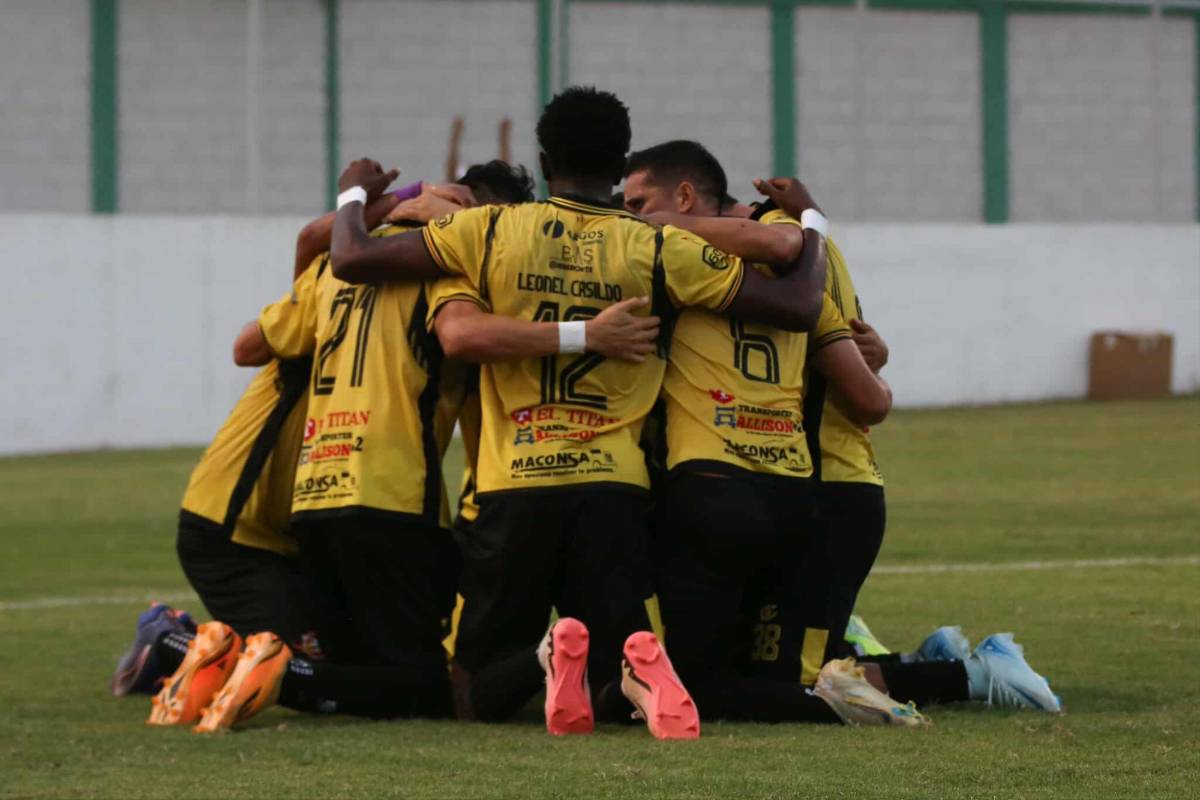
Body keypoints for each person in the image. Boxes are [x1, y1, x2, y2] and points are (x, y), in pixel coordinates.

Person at [327, 86, 830, 739]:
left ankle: (544, 658)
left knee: (474, 693)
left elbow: (352, 257)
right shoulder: (655, 245)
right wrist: (813, 224)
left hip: (515, 486)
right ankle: (607, 674)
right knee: (620, 673)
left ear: (542, 162)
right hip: (613, 490)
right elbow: (798, 305)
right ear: (621, 165)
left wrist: (351, 195)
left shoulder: (490, 229)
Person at [621, 140, 923, 726]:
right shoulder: (814, 264)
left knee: (751, 676)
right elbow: (869, 391)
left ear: (686, 199)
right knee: (757, 669)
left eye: (640, 205)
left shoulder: (678, 270)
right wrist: (812, 220)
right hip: (802, 484)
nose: (635, 219)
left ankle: (947, 676)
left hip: (807, 483)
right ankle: (890, 666)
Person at [109, 193, 400, 704]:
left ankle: (194, 643)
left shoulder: (386, 340)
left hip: (290, 538)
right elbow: (309, 243)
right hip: (230, 530)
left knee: (338, 665)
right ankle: (168, 643)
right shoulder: (317, 316)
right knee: (294, 677)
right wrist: (403, 199)